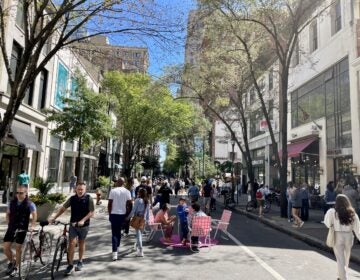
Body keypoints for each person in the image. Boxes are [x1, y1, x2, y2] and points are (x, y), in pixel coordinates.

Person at [49, 182, 94, 275]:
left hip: (84, 226)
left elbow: (91, 213)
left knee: (81, 242)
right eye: (79, 189)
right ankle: (70, 265)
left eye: (82, 189)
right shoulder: (72, 199)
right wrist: (54, 217)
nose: (80, 191)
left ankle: (80, 261)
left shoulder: (89, 198)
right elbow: (63, 208)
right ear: (75, 189)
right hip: (73, 225)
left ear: (85, 190)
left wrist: (82, 220)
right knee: (72, 244)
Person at [3, 185, 37, 277]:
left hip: (22, 228)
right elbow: (8, 213)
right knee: (6, 248)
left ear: (26, 194)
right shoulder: (12, 203)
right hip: (12, 227)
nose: (18, 194)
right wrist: (8, 223)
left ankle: (16, 267)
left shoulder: (30, 204)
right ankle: (12, 261)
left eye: (21, 193)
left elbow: (34, 216)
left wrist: (32, 226)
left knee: (18, 248)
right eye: (17, 192)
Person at [324, 194, 360, 280]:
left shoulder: (332, 212)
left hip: (337, 235)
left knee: (340, 259)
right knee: (346, 257)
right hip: (349, 236)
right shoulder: (352, 213)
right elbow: (357, 228)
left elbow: (327, 224)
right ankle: (341, 276)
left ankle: (343, 277)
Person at [108, 177, 131, 261]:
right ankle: (117, 249)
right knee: (119, 233)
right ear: (123, 183)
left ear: (117, 182)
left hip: (114, 214)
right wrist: (127, 214)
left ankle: (115, 253)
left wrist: (110, 214)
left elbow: (110, 203)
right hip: (122, 215)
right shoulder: (127, 192)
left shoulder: (113, 191)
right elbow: (130, 204)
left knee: (114, 233)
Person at [127, 188, 149, 257]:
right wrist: (147, 220)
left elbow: (133, 210)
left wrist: (128, 217)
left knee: (138, 235)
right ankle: (137, 247)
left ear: (140, 193)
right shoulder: (146, 201)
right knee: (140, 235)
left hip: (137, 218)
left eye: (138, 192)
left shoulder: (138, 200)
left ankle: (141, 250)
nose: (137, 193)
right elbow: (148, 212)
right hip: (144, 219)